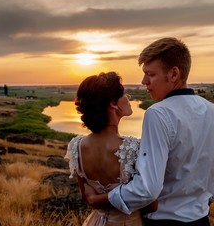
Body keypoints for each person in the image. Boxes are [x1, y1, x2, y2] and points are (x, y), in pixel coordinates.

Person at [106, 37, 214, 225]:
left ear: (174, 74)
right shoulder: (213, 110)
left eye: (150, 74)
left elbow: (148, 189)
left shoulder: (158, 114)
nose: (144, 81)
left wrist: (107, 198)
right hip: (202, 220)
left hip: (164, 220)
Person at [65, 72, 154, 226]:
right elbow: (151, 203)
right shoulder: (133, 148)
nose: (129, 97)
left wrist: (96, 200)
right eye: (124, 93)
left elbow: (87, 198)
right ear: (113, 104)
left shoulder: (76, 146)